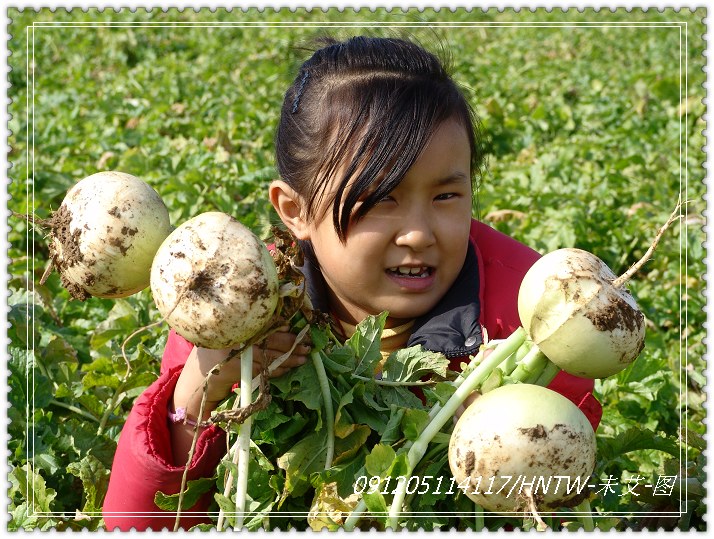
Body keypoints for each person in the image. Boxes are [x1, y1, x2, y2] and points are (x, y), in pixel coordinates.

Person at [102, 36, 602, 531]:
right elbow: (134, 522)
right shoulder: (234, 293)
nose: (418, 233)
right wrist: (200, 388)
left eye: (447, 195)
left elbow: (561, 498)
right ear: (294, 211)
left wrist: (491, 436)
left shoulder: (534, 315)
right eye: (382, 198)